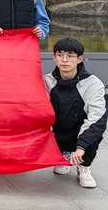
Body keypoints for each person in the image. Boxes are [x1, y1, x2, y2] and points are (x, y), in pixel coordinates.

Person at [44, 37, 106, 188]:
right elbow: (39, 110)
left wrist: (81, 146)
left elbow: (97, 118)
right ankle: (62, 154)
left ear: (79, 59)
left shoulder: (93, 83)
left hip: (79, 131)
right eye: (60, 55)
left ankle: (84, 166)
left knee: (95, 130)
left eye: (70, 56)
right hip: (58, 129)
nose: (65, 60)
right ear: (54, 57)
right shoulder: (47, 81)